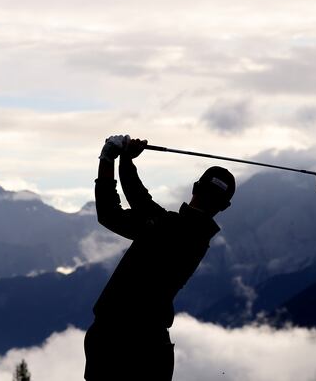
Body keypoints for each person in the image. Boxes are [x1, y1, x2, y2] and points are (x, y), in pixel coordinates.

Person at [84, 135, 236, 381]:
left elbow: (131, 203)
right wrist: (119, 159)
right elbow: (113, 213)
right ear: (225, 206)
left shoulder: (167, 227)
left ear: (195, 187)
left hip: (118, 343)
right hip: (149, 348)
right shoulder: (176, 232)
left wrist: (115, 158)